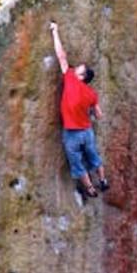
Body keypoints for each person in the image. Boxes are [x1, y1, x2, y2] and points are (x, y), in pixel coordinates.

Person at [50, 21, 109, 198]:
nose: (74, 69)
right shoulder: (91, 93)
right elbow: (98, 114)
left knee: (76, 162)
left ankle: (90, 188)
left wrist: (55, 32)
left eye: (78, 69)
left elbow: (61, 56)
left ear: (81, 77)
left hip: (72, 133)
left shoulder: (70, 78)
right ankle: (103, 180)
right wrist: (90, 110)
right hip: (87, 131)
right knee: (93, 156)